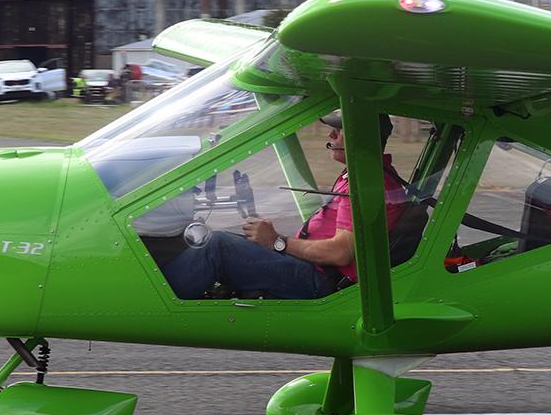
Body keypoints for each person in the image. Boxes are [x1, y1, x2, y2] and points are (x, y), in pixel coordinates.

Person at [163, 111, 408, 300]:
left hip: (320, 279)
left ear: (361, 138)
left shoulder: (367, 182)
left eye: (339, 131)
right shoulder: (360, 174)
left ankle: (161, 299)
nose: (331, 136)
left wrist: (277, 242)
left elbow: (339, 253)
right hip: (312, 268)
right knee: (229, 240)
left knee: (217, 246)